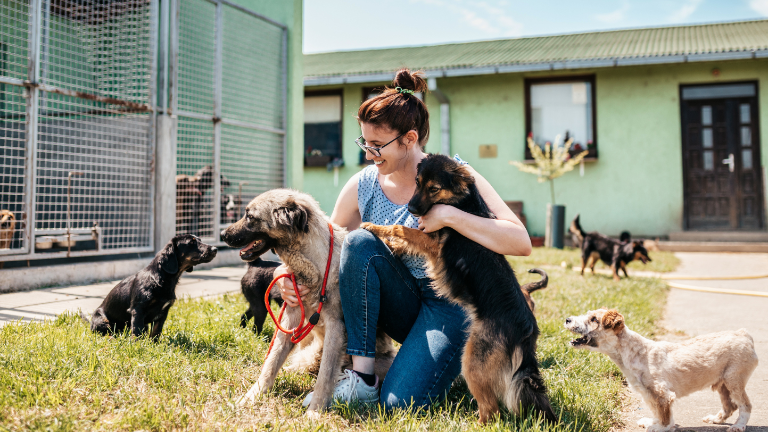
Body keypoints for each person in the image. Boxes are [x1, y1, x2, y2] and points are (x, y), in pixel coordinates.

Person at [273, 68, 532, 410]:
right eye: (364, 142)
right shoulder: (363, 184)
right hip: (398, 303)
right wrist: (283, 277)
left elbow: (520, 241)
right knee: (358, 242)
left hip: (449, 306)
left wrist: (449, 215)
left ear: (410, 139)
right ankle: (363, 377)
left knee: (400, 403)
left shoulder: (453, 174)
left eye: (378, 145)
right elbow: (326, 250)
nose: (369, 153)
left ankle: (439, 359)